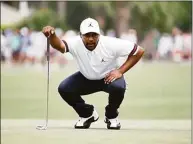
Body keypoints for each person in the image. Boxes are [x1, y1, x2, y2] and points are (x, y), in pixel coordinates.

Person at [42, 18, 144, 130]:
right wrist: (52, 36)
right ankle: (87, 114)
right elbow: (59, 46)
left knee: (118, 87)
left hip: (108, 78)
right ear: (81, 35)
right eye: (87, 35)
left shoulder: (111, 43)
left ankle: (111, 116)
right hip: (86, 78)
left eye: (94, 35)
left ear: (99, 35)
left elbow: (139, 51)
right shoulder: (75, 43)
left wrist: (120, 71)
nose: (91, 39)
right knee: (64, 88)